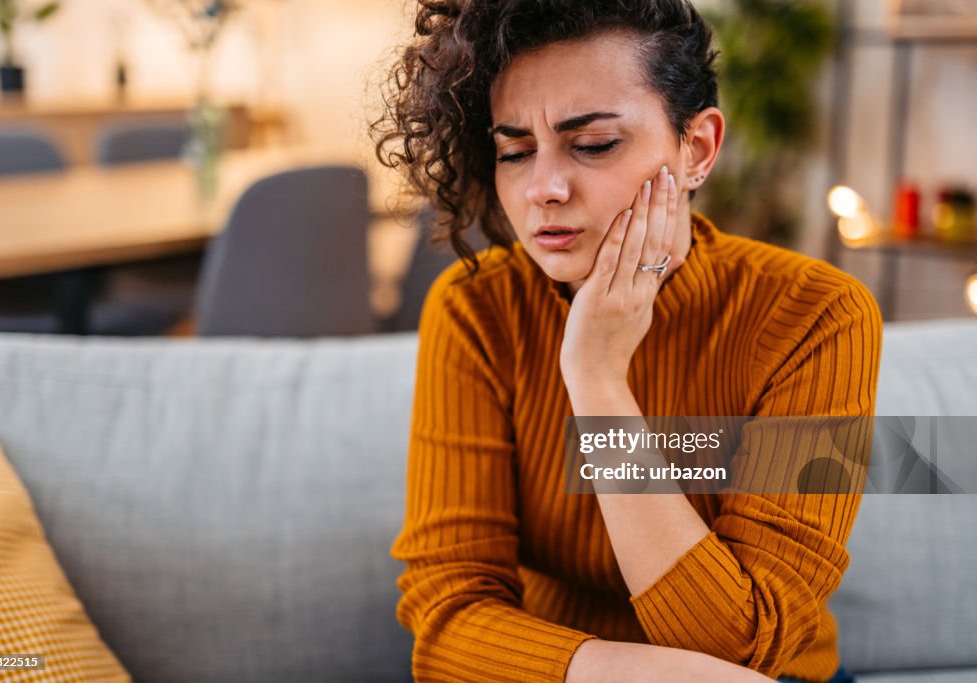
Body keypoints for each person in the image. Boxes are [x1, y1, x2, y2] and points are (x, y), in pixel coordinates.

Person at [373, 1, 881, 681]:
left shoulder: (817, 316)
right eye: (515, 151)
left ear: (696, 147)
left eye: (594, 145)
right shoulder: (476, 309)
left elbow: (750, 643)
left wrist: (599, 380)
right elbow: (448, 622)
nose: (544, 189)